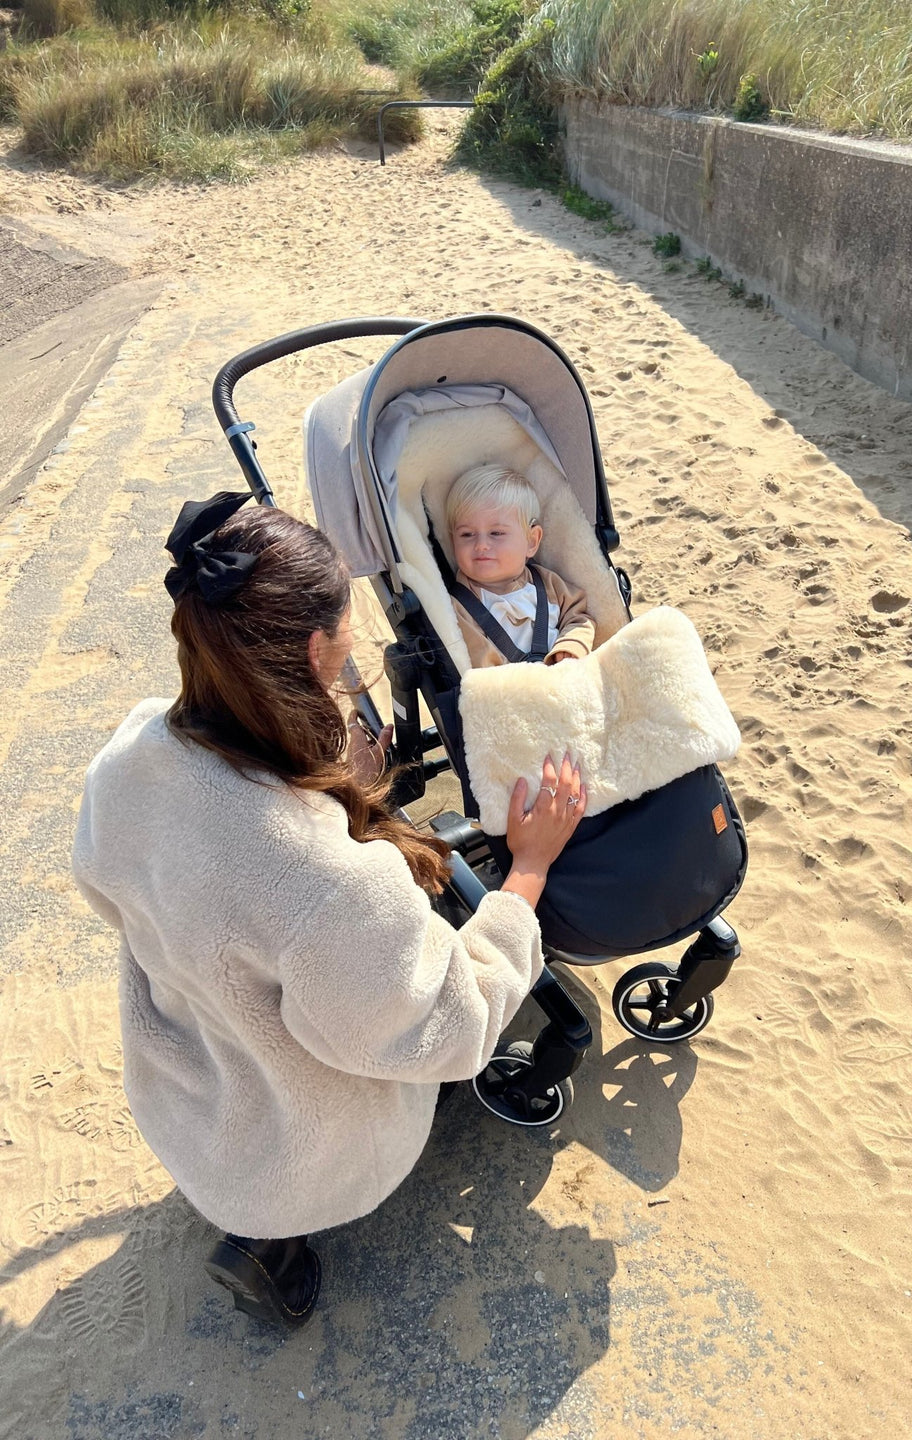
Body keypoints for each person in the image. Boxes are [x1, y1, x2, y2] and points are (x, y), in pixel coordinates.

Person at [71, 492, 586, 1329]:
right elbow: (454, 1025)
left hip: (184, 1088)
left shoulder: (130, 756)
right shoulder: (330, 886)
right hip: (294, 1148)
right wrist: (528, 868)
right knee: (446, 1035)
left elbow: (121, 886)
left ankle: (261, 1230)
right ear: (317, 649)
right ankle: (273, 1237)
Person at [446, 464, 595, 669]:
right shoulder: (459, 608)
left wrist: (570, 646)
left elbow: (578, 617)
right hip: (512, 692)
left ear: (532, 541)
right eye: (467, 534)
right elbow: (483, 667)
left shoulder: (549, 585)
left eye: (496, 533)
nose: (481, 545)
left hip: (566, 678)